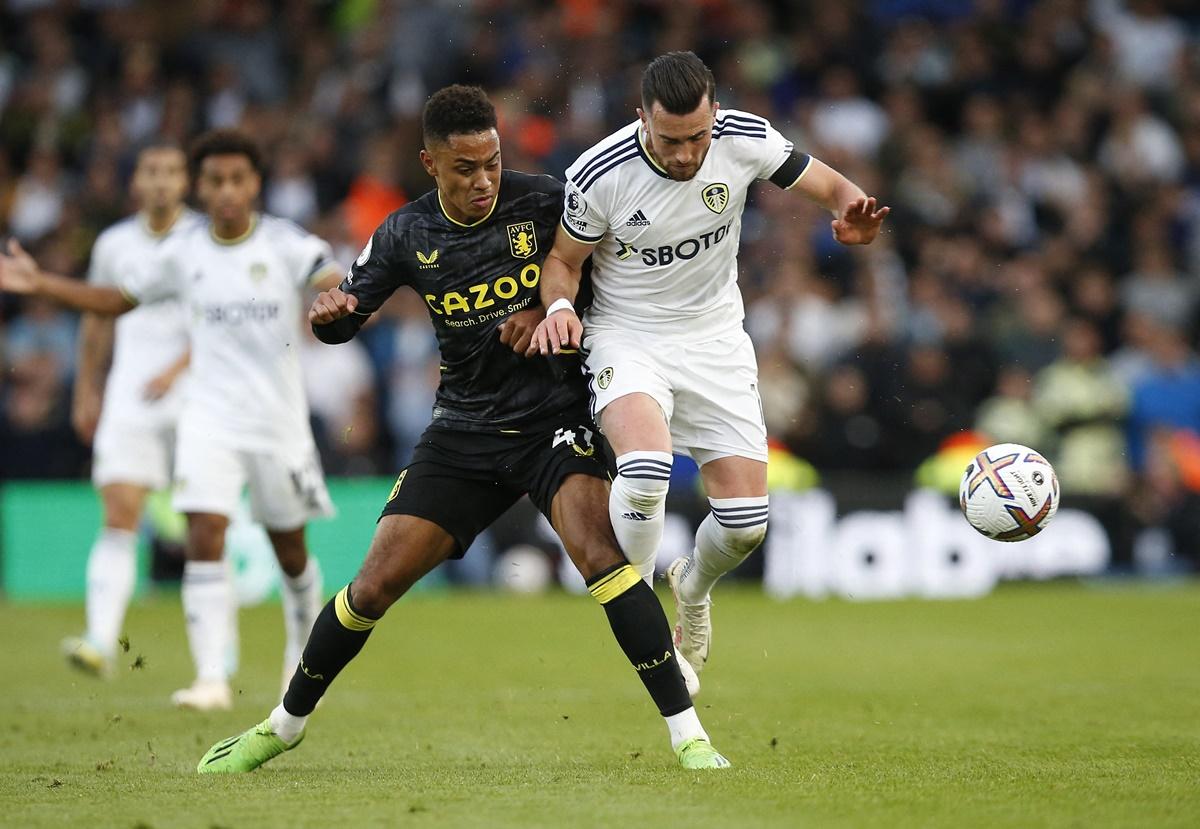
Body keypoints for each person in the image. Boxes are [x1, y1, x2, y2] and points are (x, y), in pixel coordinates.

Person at [193, 85, 727, 774]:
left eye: (493, 163)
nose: (483, 181)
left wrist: (547, 311)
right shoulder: (406, 232)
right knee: (372, 586)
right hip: (463, 430)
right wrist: (332, 318)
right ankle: (283, 724)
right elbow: (351, 309)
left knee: (602, 555)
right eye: (465, 168)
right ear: (430, 164)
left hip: (553, 421)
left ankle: (689, 735)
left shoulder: (545, 199)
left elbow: (604, 275)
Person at [528, 52, 889, 692]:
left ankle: (691, 589)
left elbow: (832, 186)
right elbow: (563, 260)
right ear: (642, 118)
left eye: (697, 136)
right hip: (627, 335)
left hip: (716, 339)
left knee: (747, 525)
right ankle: (644, 636)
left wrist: (853, 213)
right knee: (644, 470)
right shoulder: (599, 173)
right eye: (670, 140)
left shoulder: (743, 139)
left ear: (713, 115)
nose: (686, 153)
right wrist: (558, 306)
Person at [0, 130, 341, 711]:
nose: (227, 191)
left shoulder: (284, 244)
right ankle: (211, 678)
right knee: (203, 533)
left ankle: (300, 652)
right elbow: (116, 301)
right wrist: (43, 285)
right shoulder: (183, 254)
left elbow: (332, 277)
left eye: (238, 179)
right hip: (208, 418)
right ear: (201, 186)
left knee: (291, 551)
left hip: (276, 423)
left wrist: (339, 296)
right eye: (216, 180)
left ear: (254, 183)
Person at [59, 143, 200, 677]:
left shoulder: (204, 239)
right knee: (119, 512)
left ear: (186, 182)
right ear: (136, 181)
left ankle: (216, 659)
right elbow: (97, 319)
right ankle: (99, 640)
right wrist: (86, 389)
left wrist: (177, 367)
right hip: (129, 395)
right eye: (151, 172)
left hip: (196, 391)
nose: (160, 182)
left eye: (170, 172)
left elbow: (220, 321)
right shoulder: (114, 244)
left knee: (206, 523)